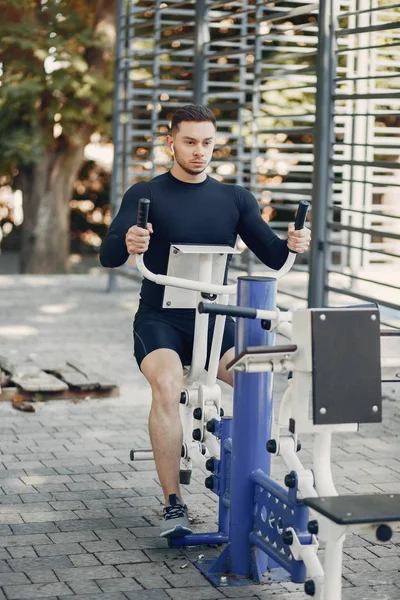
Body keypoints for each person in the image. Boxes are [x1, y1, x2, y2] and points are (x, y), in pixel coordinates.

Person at [100, 104, 311, 538]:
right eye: (190, 142)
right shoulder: (146, 194)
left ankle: (259, 478)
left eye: (208, 143)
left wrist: (293, 242)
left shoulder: (235, 199)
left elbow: (274, 255)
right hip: (160, 319)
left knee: (257, 379)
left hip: (215, 322)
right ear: (171, 142)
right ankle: (173, 503)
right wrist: (129, 238)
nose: (200, 152)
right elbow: (109, 253)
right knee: (167, 383)